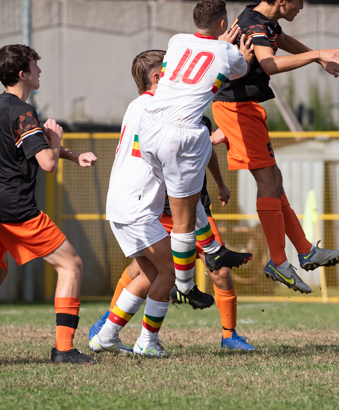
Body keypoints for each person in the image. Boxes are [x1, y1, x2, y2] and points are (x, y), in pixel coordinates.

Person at [0, 44, 99, 365]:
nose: (40, 71)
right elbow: (47, 162)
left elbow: (28, 146)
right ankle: (64, 349)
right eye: (35, 66)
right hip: (13, 205)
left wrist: (72, 154)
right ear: (23, 74)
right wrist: (57, 140)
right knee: (71, 265)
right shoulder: (24, 111)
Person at [89, 52, 254, 351]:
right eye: (171, 70)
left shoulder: (138, 106)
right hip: (139, 206)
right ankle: (147, 341)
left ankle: (107, 335)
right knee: (169, 271)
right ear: (157, 78)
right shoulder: (160, 109)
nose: (179, 76)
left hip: (125, 203)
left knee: (149, 273)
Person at [211, 0, 339, 293]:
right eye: (300, 1)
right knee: (268, 181)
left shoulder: (261, 18)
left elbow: (283, 40)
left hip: (243, 107)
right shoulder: (256, 26)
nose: (302, 6)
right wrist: (317, 54)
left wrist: (319, 59)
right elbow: (270, 64)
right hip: (236, 108)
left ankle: (304, 251)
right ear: (281, 1)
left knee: (274, 180)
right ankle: (279, 261)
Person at [137, 0, 255, 309]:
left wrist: (220, 45)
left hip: (149, 129)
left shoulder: (176, 41)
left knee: (188, 202)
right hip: (181, 136)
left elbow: (198, 58)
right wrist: (240, 53)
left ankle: (214, 249)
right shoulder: (228, 51)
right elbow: (239, 70)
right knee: (184, 220)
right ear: (222, 23)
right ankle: (184, 286)